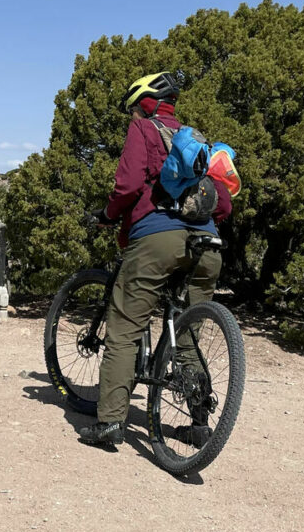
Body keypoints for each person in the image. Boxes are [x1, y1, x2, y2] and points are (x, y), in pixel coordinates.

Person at [79, 72, 231, 448]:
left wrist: (110, 214)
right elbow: (223, 202)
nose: (132, 115)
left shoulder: (145, 129)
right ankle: (198, 425)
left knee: (126, 325)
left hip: (157, 239)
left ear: (144, 104)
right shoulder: (198, 142)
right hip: (207, 242)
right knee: (188, 332)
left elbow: (128, 185)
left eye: (133, 108)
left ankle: (110, 422)